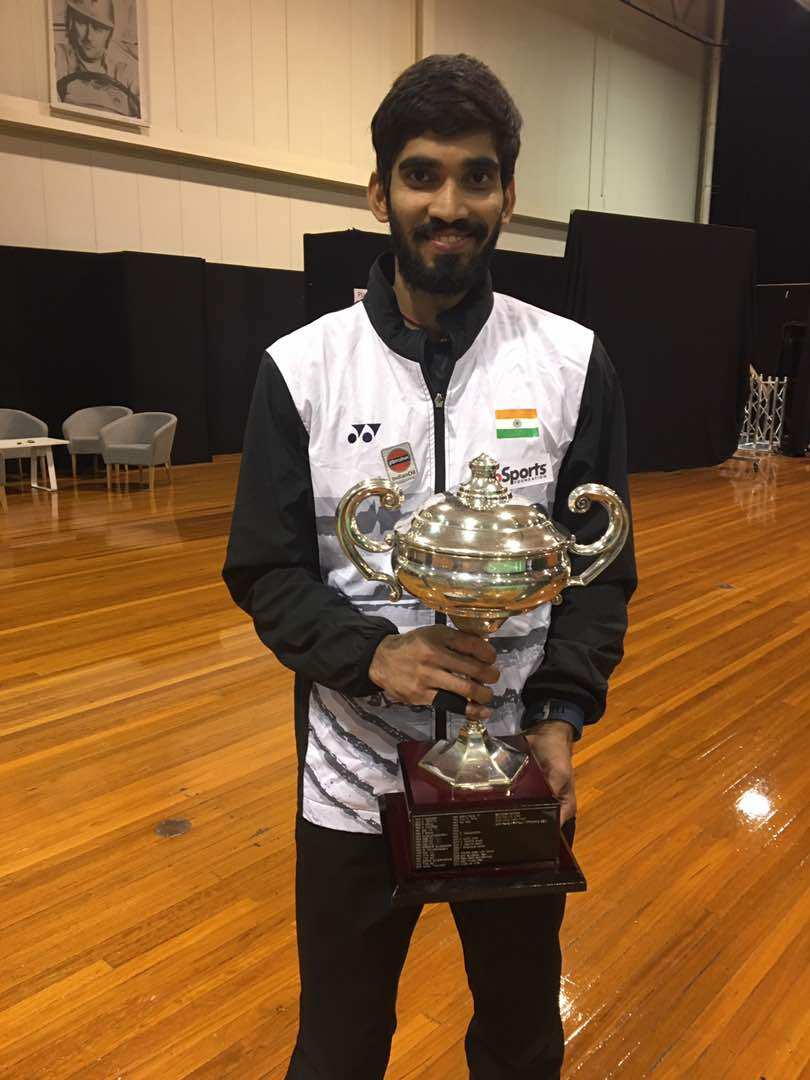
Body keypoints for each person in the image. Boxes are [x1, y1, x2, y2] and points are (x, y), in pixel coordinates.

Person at [223, 53, 637, 1080]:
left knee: (521, 1038)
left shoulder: (571, 361)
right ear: (380, 193)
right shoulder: (302, 369)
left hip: (517, 771)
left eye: (475, 176)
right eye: (422, 175)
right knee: (340, 1046)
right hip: (353, 780)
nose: (449, 205)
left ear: (508, 195)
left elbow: (599, 573)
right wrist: (372, 655)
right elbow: (267, 569)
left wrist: (559, 715)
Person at [54, 0, 140, 118]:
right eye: (82, 23)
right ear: (71, 24)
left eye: (98, 28)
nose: (89, 36)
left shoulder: (124, 72)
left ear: (109, 34)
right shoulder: (58, 57)